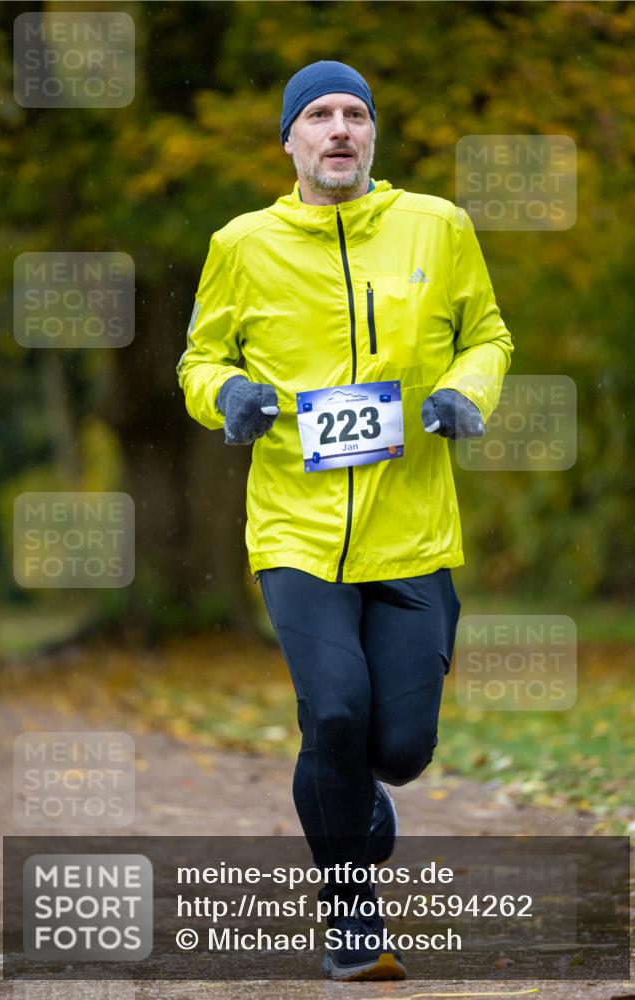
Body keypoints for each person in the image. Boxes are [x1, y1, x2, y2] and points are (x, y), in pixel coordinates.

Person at [177, 60, 513, 982]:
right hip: (296, 529)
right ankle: (350, 914)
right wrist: (230, 395)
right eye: (317, 116)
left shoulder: (436, 227)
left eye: (353, 115)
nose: (337, 130)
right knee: (332, 715)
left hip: (411, 535)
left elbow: (487, 334)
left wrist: (460, 392)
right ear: (288, 139)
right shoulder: (241, 243)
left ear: (372, 137)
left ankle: (368, 803)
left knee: (397, 753)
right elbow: (199, 360)